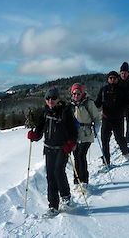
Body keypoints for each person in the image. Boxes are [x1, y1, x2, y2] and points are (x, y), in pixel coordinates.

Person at [27, 86, 78, 217]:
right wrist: (34, 136)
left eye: (53, 98)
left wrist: (71, 143)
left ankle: (66, 197)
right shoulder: (45, 112)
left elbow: (73, 131)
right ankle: (53, 206)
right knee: (50, 176)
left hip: (62, 148)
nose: (51, 100)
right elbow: (39, 130)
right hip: (48, 149)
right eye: (48, 98)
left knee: (58, 172)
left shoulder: (65, 111)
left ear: (58, 99)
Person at [70, 83, 101, 191]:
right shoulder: (70, 105)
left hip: (86, 133)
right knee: (76, 156)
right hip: (75, 135)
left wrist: (97, 128)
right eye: (74, 93)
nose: (76, 95)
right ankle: (76, 181)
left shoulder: (89, 103)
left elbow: (96, 117)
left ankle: (84, 181)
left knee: (81, 156)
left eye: (78, 93)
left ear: (82, 93)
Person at [95, 71, 129, 165]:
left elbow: (127, 102)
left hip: (118, 119)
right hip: (106, 118)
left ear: (117, 79)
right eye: (110, 78)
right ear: (108, 79)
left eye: (114, 78)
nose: (112, 79)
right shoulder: (103, 90)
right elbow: (98, 103)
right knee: (104, 140)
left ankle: (125, 152)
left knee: (119, 138)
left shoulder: (122, 90)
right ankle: (106, 162)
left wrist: (123, 109)